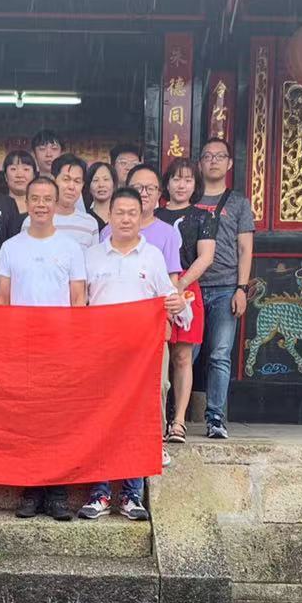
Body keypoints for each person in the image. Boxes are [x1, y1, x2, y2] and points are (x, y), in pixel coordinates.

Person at [79, 187, 189, 521]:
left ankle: (131, 495)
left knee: (135, 422)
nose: (125, 219)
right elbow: (79, 303)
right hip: (100, 353)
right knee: (100, 420)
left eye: (132, 213)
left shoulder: (152, 256)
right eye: (119, 212)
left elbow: (170, 298)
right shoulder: (91, 256)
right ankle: (99, 493)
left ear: (141, 218)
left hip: (140, 357)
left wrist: (178, 305)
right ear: (109, 216)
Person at [0, 176, 86, 522]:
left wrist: (75, 343)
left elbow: (78, 298)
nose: (41, 205)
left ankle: (58, 493)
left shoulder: (70, 247)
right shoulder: (11, 247)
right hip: (22, 346)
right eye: (35, 198)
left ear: (56, 203)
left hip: (60, 346)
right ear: (27, 202)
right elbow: (4, 299)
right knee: (26, 420)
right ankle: (30, 490)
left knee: (59, 420)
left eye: (48, 199)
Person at [196, 138, 257, 440]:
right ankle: (172, 416)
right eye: (208, 156)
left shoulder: (239, 203)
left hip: (224, 287)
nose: (214, 161)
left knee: (220, 354)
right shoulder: (189, 198)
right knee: (185, 354)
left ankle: (215, 418)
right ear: (200, 164)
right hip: (192, 288)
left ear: (230, 163)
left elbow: (245, 248)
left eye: (220, 156)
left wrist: (241, 288)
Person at [155, 157, 217, 444]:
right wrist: (166, 286)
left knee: (182, 356)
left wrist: (179, 284)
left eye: (188, 179)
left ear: (196, 184)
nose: (182, 185)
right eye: (176, 179)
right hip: (154, 289)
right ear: (166, 183)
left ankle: (178, 421)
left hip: (187, 288)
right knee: (155, 357)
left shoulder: (204, 217)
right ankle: (156, 419)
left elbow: (206, 257)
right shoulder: (154, 215)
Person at [24, 153, 99, 249]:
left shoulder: (90, 223)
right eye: (66, 179)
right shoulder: (32, 221)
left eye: (77, 181)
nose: (71, 187)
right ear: (53, 180)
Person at [2, 149, 37, 215]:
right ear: (5, 176)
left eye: (26, 169)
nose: (20, 175)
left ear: (34, 176)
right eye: (13, 169)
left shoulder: (41, 206)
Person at [84, 160, 115, 226]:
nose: (101, 185)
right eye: (96, 180)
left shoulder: (120, 217)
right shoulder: (85, 219)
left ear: (114, 184)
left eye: (106, 179)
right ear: (89, 187)